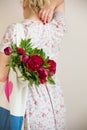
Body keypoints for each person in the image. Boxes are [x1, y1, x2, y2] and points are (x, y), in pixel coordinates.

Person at [0, 0, 66, 130]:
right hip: (56, 105)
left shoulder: (15, 30)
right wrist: (52, 6)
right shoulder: (56, 28)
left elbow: (1, 75)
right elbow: (62, 2)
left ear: (25, 3)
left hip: (29, 106)